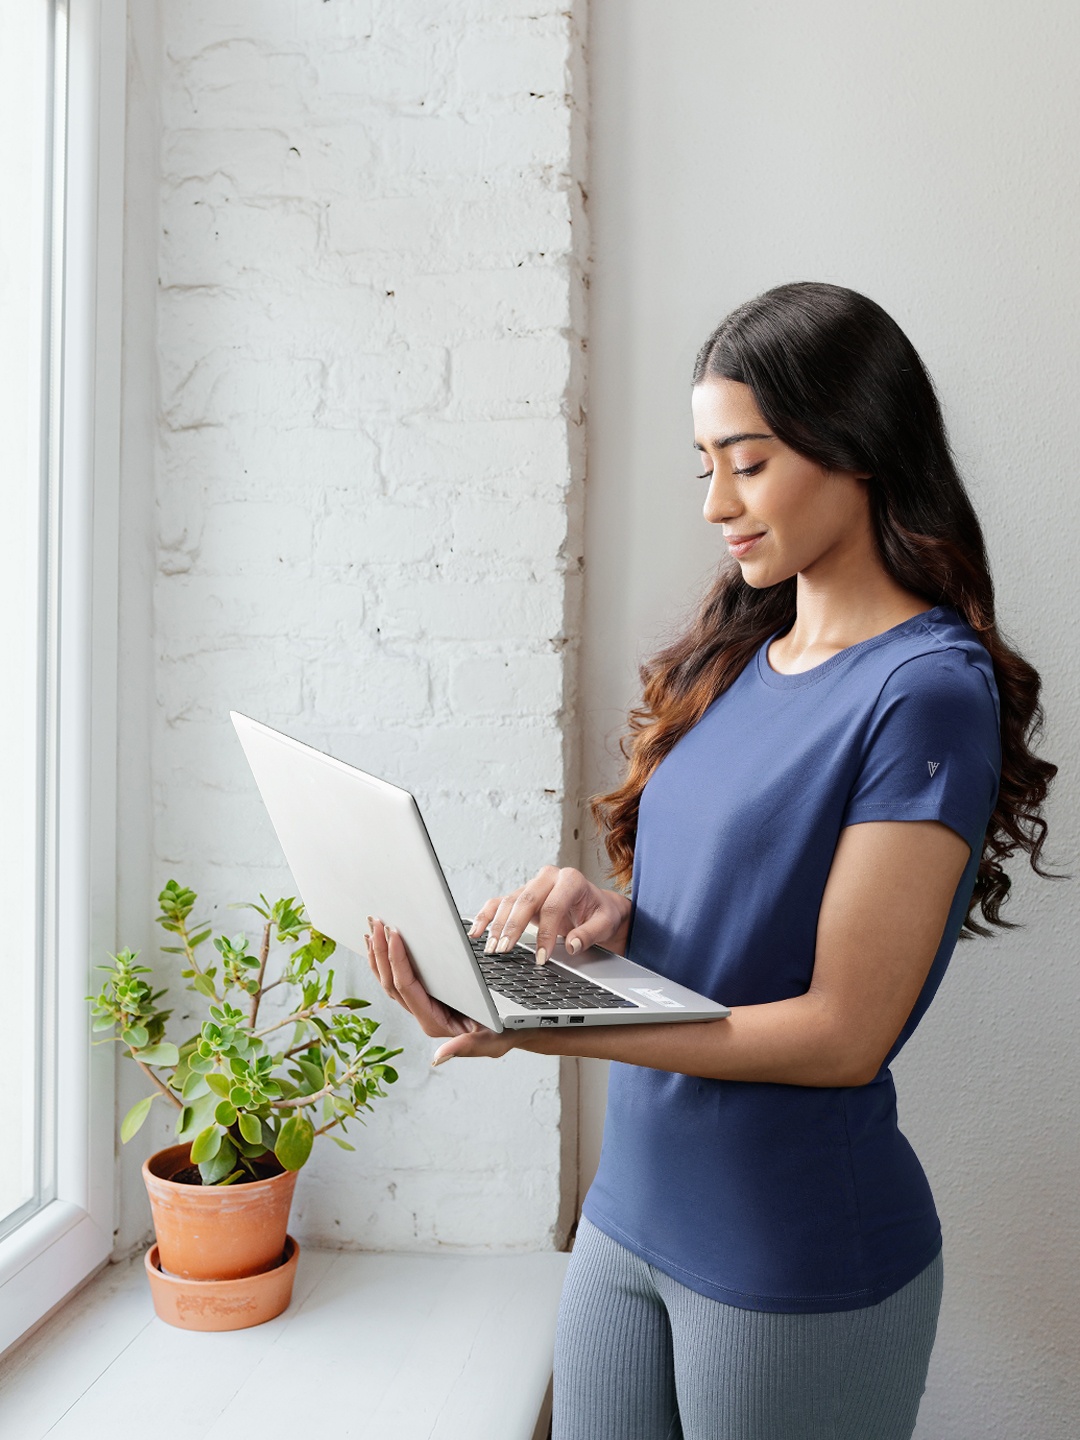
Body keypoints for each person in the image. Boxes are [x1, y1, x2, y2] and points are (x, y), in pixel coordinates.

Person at [366, 282, 1056, 1440]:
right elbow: (742, 916)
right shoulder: (744, 652)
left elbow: (842, 1034)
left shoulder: (927, 691)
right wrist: (612, 916)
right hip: (629, 1216)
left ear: (858, 451)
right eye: (704, 466)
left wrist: (545, 1025)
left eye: (747, 462)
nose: (714, 504)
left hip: (790, 1255)